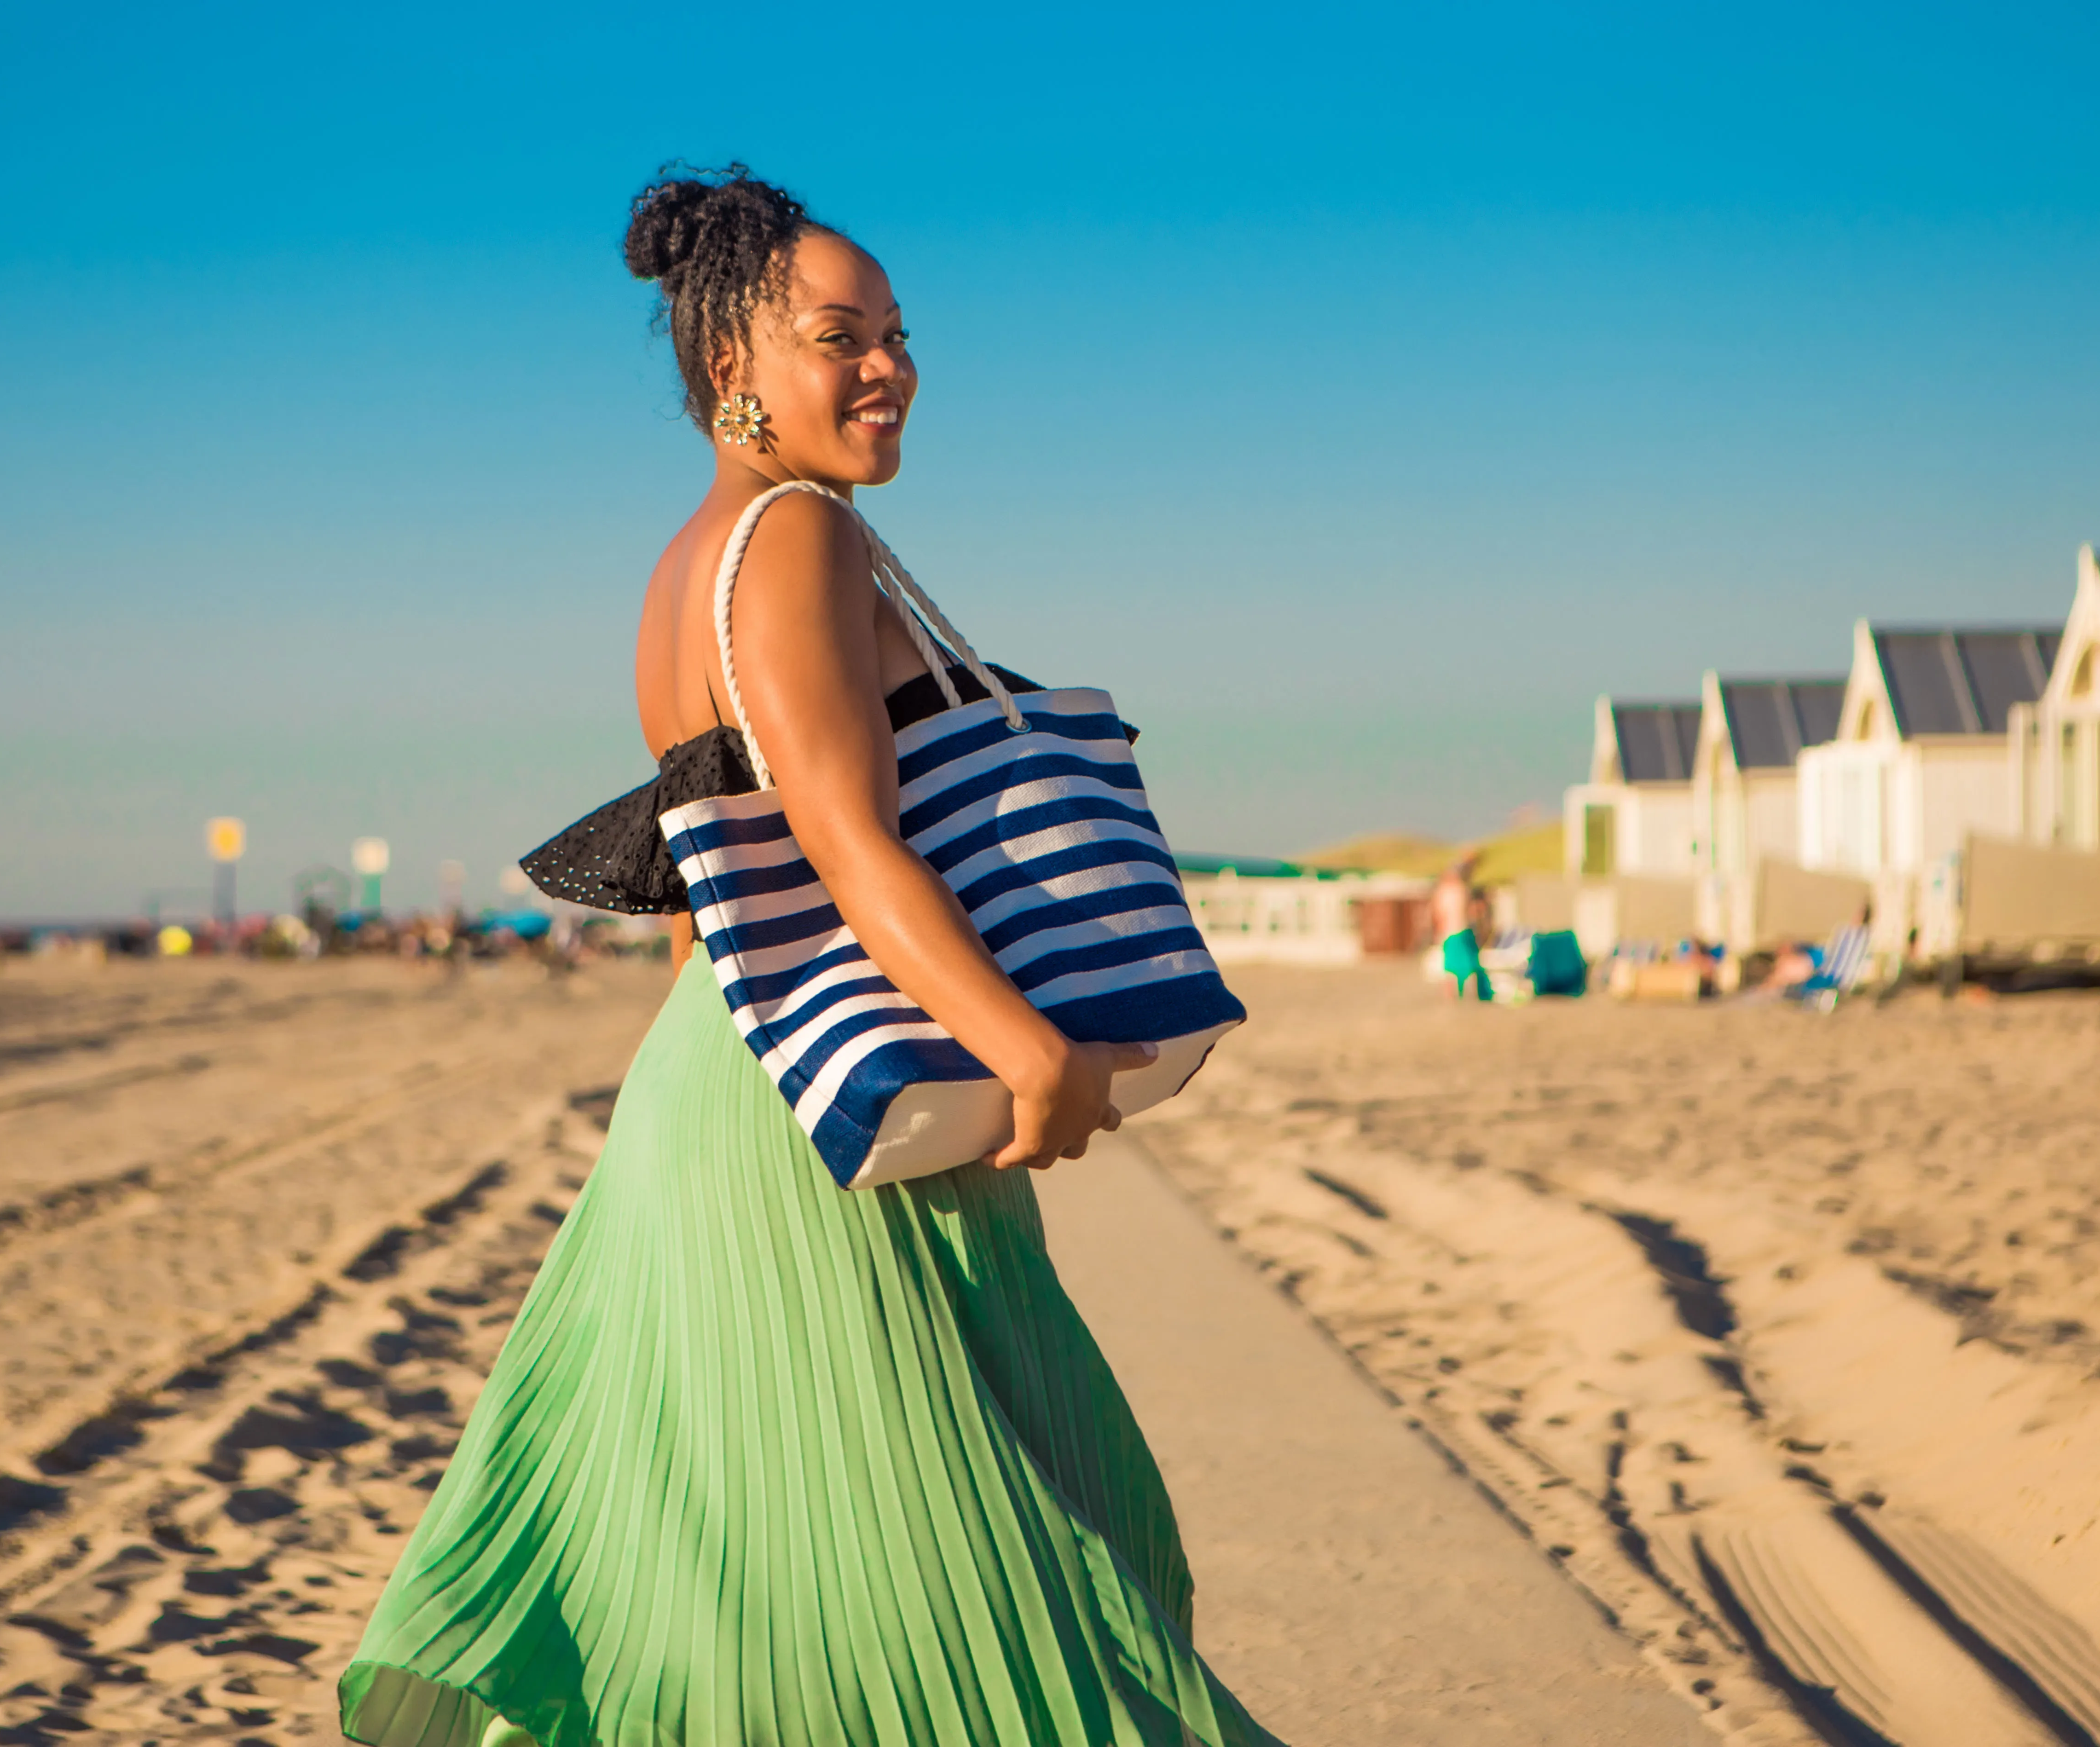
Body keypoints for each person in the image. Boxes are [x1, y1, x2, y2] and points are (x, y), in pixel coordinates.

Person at [339, 167, 1279, 1747]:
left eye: (899, 335)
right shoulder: (798, 536)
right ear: (731, 367)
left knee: (810, 1583)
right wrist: (1033, 1047)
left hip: (745, 1063)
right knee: (1011, 1577)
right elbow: (849, 838)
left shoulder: (690, 559)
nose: (888, 366)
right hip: (840, 1092)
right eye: (838, 337)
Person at [1431, 850, 1490, 1002]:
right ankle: (1467, 994)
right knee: (1465, 965)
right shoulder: (1458, 891)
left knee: (1455, 966)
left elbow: (1439, 915)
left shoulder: (1449, 891)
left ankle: (1457, 995)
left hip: (1454, 932)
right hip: (1458, 932)